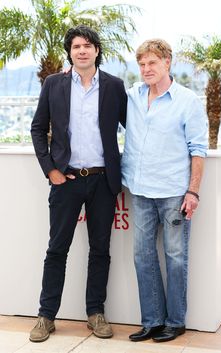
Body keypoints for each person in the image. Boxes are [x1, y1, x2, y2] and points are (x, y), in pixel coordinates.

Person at [30, 25, 127, 342]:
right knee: (57, 249)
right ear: (70, 52)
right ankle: (46, 316)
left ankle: (95, 313)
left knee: (101, 249)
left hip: (103, 180)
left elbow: (134, 128)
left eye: (87, 45)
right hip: (66, 180)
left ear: (97, 50)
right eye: (76, 47)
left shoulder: (114, 86)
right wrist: (50, 171)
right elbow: (37, 128)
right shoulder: (53, 84)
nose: (82, 51)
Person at [121, 39, 207, 343]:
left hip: (173, 192)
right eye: (142, 64)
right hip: (140, 191)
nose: (146, 69)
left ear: (167, 62)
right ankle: (153, 321)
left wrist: (193, 192)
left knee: (176, 257)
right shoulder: (131, 96)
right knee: (142, 256)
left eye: (152, 63)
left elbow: (198, 150)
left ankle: (175, 321)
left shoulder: (187, 101)